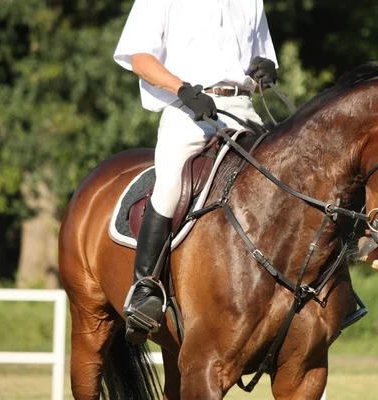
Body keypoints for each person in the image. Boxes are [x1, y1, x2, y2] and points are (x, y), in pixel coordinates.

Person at [113, 0, 278, 343]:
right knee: (171, 184)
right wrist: (183, 90)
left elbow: (262, 58)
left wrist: (264, 70)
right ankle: (145, 289)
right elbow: (139, 58)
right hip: (188, 109)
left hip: (243, 108)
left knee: (286, 176)